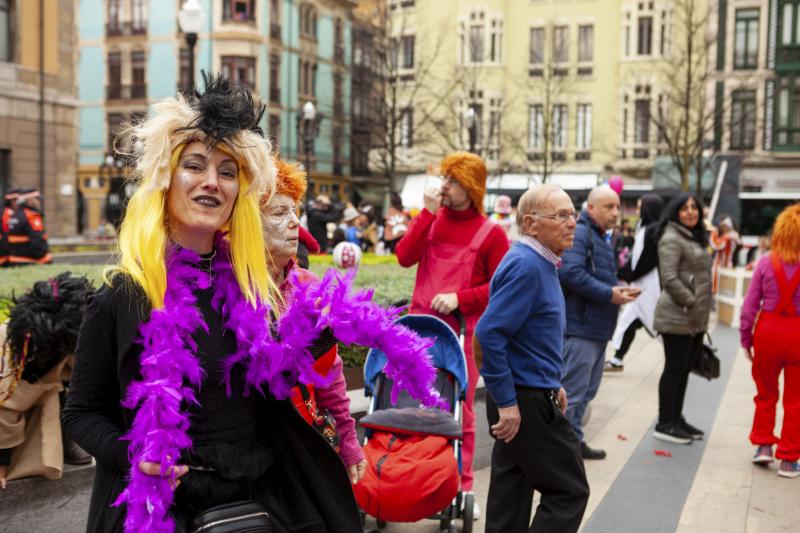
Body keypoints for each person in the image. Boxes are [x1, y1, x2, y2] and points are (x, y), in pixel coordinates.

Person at [61, 75, 362, 532]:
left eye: (227, 171)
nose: (211, 182)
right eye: (195, 165)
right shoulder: (122, 295)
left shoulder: (252, 291)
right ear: (166, 177)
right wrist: (136, 454)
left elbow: (267, 391)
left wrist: (315, 335)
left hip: (256, 503)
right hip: (162, 511)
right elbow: (81, 412)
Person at [396, 151, 509, 517]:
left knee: (460, 408)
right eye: (445, 177)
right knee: (411, 403)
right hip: (421, 327)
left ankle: (462, 484)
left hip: (463, 333)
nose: (445, 186)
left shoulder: (492, 234)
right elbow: (404, 256)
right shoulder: (432, 219)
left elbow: (501, 286)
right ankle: (412, 478)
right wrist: (425, 214)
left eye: (454, 180)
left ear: (472, 187)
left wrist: (460, 298)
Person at [476, 184, 589, 533]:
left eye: (573, 214)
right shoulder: (528, 264)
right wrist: (509, 403)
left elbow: (528, 336)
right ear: (530, 223)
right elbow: (489, 334)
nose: (571, 222)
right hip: (523, 398)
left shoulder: (539, 261)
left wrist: (553, 381)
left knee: (511, 492)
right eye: (561, 216)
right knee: (569, 491)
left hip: (529, 390)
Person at [260, 158, 367, 483]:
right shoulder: (228, 287)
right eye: (280, 213)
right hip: (256, 453)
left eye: (296, 212)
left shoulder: (308, 285)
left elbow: (331, 374)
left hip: (307, 440)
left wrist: (348, 441)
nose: (295, 223)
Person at [559, 185, 638, 460]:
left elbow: (594, 274)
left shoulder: (601, 237)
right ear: (590, 208)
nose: (615, 213)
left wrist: (616, 289)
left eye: (617, 207)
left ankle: (574, 442)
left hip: (596, 327)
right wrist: (609, 294)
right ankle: (562, 449)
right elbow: (570, 272)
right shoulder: (581, 233)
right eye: (609, 207)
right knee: (572, 393)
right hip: (580, 327)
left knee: (587, 391)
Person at [0, 273, 94, 490]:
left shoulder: (68, 337)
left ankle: (67, 431)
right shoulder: (10, 347)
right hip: (10, 402)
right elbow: (4, 409)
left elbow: (83, 375)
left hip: (50, 393)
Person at [740, 204, 800, 478]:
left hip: (768, 331)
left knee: (765, 392)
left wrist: (745, 337)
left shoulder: (765, 262)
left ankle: (763, 445)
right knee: (796, 400)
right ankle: (789, 458)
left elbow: (750, 304)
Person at [652, 193, 712, 444]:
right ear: (675, 212)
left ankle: (677, 418)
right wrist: (691, 300)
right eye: (685, 208)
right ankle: (665, 422)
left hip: (694, 318)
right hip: (676, 316)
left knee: (685, 369)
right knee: (674, 369)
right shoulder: (672, 237)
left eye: (694, 208)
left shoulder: (694, 237)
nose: (690, 212)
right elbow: (669, 278)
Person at [605, 194, 665, 372]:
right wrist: (624, 273)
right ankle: (617, 358)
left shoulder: (654, 230)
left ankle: (682, 355)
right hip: (639, 286)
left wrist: (630, 275)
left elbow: (648, 260)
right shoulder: (644, 228)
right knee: (628, 321)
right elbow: (637, 259)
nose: (638, 211)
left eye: (640, 207)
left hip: (649, 287)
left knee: (656, 324)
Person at [1, 187, 52, 266]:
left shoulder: (14, 215)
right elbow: (37, 240)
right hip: (29, 260)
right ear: (30, 200)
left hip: (15, 259)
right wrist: (44, 258)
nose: (38, 202)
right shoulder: (31, 216)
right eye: (37, 199)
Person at [711, 216, 741, 293]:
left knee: (724, 289)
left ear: (729, 226)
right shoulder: (725, 236)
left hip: (725, 265)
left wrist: (713, 235)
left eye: (724, 226)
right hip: (718, 265)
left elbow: (717, 245)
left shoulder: (732, 235)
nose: (722, 228)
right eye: (721, 226)